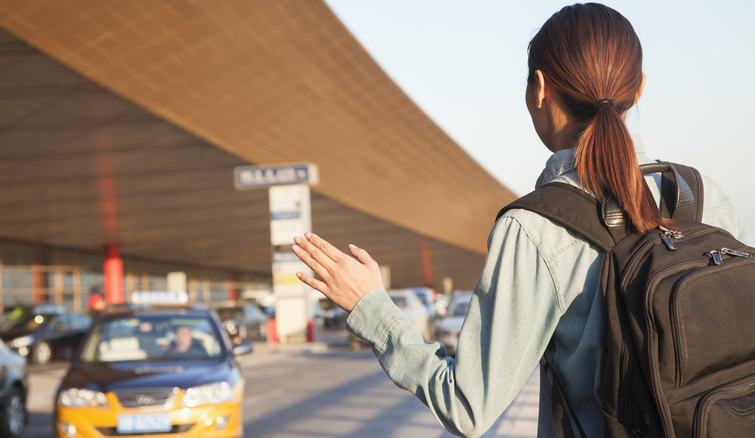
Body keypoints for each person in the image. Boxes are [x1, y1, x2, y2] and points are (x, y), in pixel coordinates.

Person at [291, 3, 749, 437]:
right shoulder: (708, 197)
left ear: (540, 89)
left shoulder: (536, 228)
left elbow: (468, 407)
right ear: (640, 87)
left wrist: (371, 306)